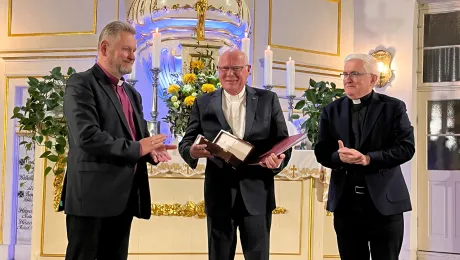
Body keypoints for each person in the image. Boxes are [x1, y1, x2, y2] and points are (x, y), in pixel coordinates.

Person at [60, 21, 176, 260]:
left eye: (134, 50)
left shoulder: (132, 93)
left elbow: (138, 137)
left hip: (124, 198)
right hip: (90, 199)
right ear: (104, 47)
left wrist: (150, 150)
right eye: (126, 49)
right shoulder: (80, 84)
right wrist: (138, 147)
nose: (132, 56)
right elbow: (88, 136)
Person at [178, 48, 291, 260]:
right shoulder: (202, 102)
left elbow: (283, 142)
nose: (230, 74)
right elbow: (186, 141)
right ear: (218, 70)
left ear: (248, 70)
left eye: (236, 68)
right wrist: (192, 151)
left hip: (257, 193)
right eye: (225, 68)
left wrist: (278, 161)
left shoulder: (268, 99)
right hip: (219, 194)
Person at [314, 53, 415, 260]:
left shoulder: (393, 107)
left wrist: (368, 159)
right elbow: (322, 152)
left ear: (373, 79)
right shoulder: (331, 111)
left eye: (354, 74)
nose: (347, 79)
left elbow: (406, 148)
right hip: (346, 204)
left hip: (384, 203)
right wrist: (338, 157)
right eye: (345, 74)